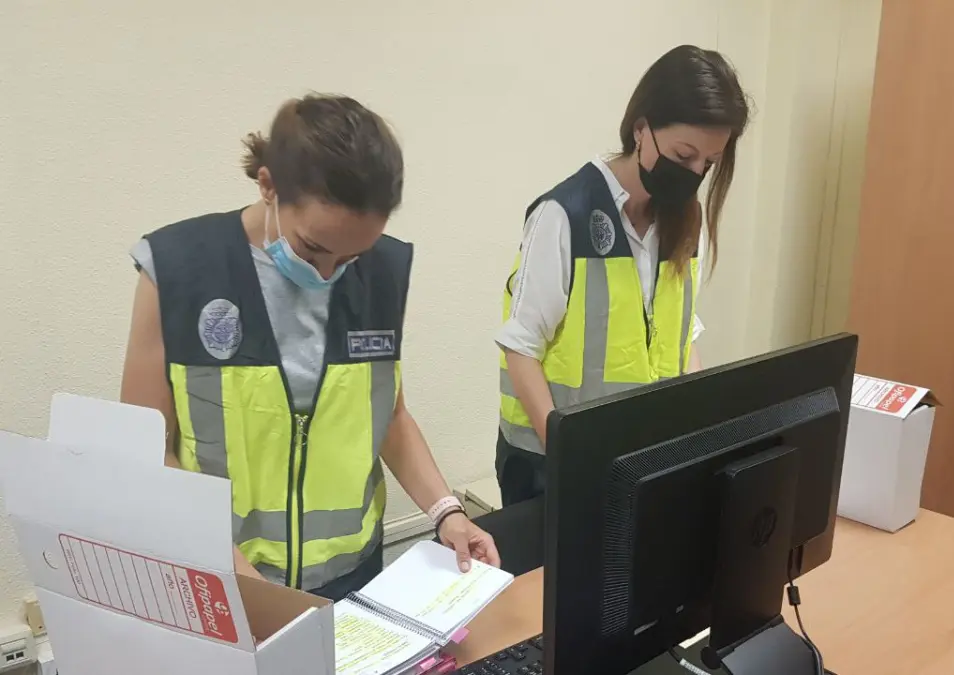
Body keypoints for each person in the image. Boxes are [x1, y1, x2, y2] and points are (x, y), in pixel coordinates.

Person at [121, 94, 498, 600]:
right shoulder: (177, 269)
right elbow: (146, 449)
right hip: (221, 576)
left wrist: (447, 513)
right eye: (314, 248)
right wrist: (241, 581)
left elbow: (388, 417)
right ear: (268, 185)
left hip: (353, 574)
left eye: (352, 256)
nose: (328, 274)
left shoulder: (381, 272)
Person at [495, 45, 751, 506]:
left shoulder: (684, 222)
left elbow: (681, 338)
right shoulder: (563, 215)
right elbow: (521, 348)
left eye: (709, 164)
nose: (694, 174)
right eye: (684, 155)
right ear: (641, 130)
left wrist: (697, 429)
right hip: (551, 469)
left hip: (641, 465)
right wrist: (570, 458)